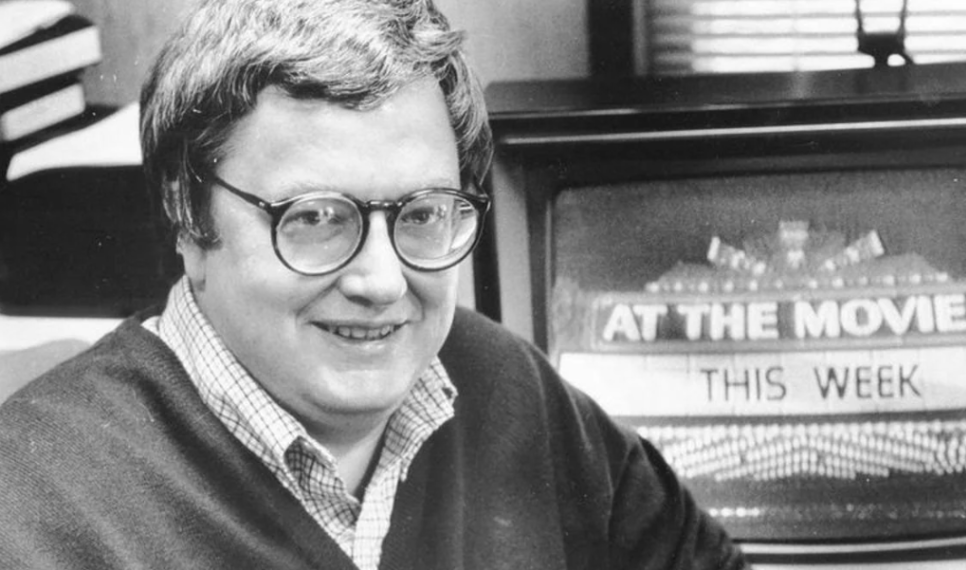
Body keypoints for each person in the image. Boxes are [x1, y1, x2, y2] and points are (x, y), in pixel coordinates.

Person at [0, 1, 750, 568]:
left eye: (423, 213)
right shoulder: (34, 512)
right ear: (188, 218)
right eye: (317, 218)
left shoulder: (504, 382)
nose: (383, 281)